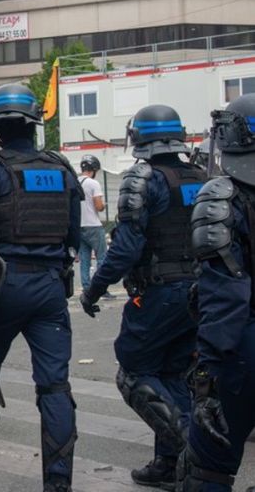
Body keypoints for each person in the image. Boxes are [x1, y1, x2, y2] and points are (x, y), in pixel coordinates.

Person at [0, 84, 81, 492]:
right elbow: (73, 235)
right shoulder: (61, 168)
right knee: (55, 387)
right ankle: (58, 483)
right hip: (50, 289)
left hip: (2, 288)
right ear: (32, 125)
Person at [80, 105, 206, 489]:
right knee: (172, 375)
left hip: (160, 292)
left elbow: (126, 249)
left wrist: (94, 288)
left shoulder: (142, 178)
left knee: (133, 373)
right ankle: (168, 465)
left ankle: (195, 457)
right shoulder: (200, 176)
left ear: (138, 137)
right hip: (199, 293)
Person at [178, 95, 255, 491]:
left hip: (242, 347)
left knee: (206, 468)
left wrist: (206, 379)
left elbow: (226, 298)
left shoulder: (221, 195)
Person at [77, 155, 110, 299]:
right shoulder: (93, 183)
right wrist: (103, 206)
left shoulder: (76, 181)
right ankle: (100, 289)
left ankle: (86, 288)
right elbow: (98, 205)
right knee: (101, 257)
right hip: (93, 226)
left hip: (79, 226)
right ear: (94, 169)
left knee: (84, 259)